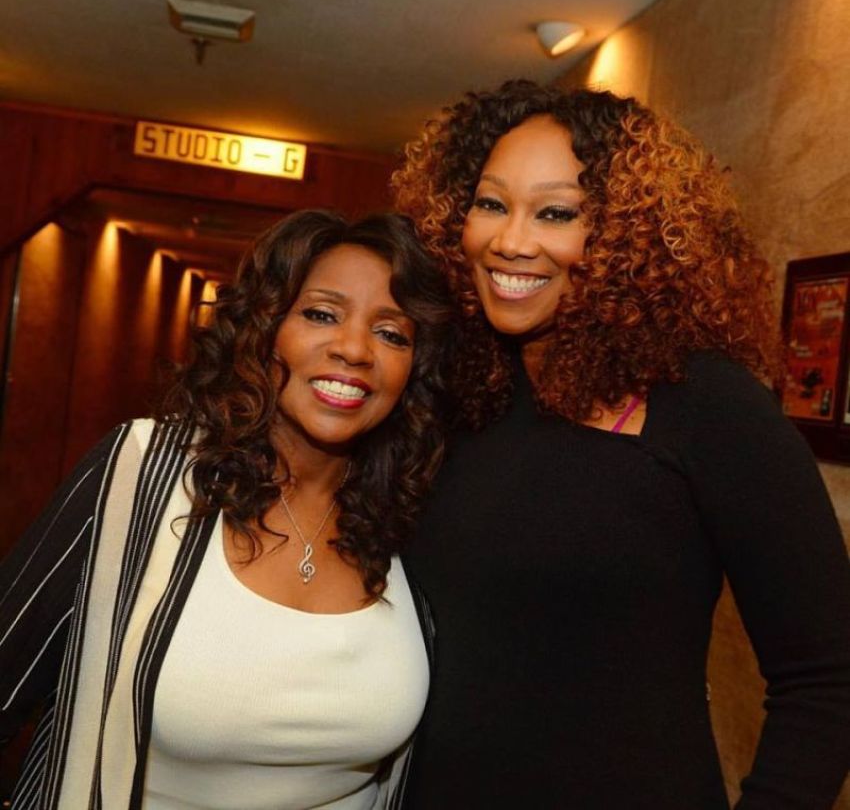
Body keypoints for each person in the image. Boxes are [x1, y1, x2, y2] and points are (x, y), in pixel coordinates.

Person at [392, 80, 850, 808]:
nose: (511, 241)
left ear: (626, 234)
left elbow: (827, 676)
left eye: (556, 213)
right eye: (490, 204)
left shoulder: (704, 403)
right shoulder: (449, 391)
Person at [0, 209, 452, 809]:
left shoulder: (415, 521)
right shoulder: (141, 474)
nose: (354, 349)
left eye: (392, 333)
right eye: (321, 314)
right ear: (263, 327)